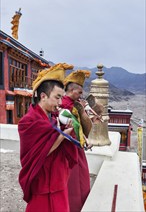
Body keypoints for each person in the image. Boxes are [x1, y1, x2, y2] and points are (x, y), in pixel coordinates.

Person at [18, 63, 79, 212]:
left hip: (59, 182)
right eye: (57, 97)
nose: (60, 103)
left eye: (61, 98)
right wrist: (62, 135)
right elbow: (40, 152)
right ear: (43, 96)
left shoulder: (53, 119)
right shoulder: (28, 122)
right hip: (42, 187)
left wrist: (69, 132)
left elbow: (57, 139)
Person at [61, 70, 92, 212]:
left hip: (77, 145)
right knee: (73, 183)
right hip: (68, 147)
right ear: (72, 90)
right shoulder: (63, 105)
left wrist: (84, 138)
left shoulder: (74, 104)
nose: (81, 96)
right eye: (79, 92)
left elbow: (78, 126)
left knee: (82, 179)